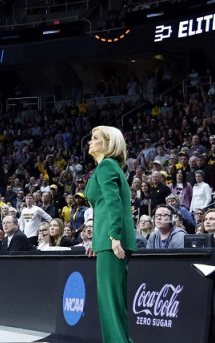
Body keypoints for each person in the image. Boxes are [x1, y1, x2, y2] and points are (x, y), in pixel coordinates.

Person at [84, 125, 136, 343]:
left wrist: (113, 238)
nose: (90, 141)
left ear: (107, 144)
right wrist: (98, 241)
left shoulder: (106, 166)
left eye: (95, 138)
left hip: (112, 241)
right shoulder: (109, 166)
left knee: (110, 303)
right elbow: (105, 205)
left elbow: (114, 204)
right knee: (115, 302)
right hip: (107, 240)